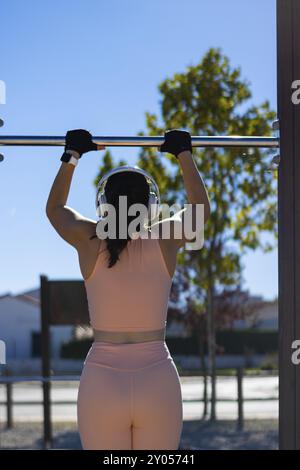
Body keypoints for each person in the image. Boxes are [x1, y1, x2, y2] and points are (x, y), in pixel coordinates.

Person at [45, 128, 210, 450]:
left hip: (102, 380)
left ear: (104, 203)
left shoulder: (90, 239)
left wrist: (72, 156)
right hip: (157, 377)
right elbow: (200, 210)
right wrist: (184, 154)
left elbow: (55, 210)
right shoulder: (165, 237)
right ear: (150, 203)